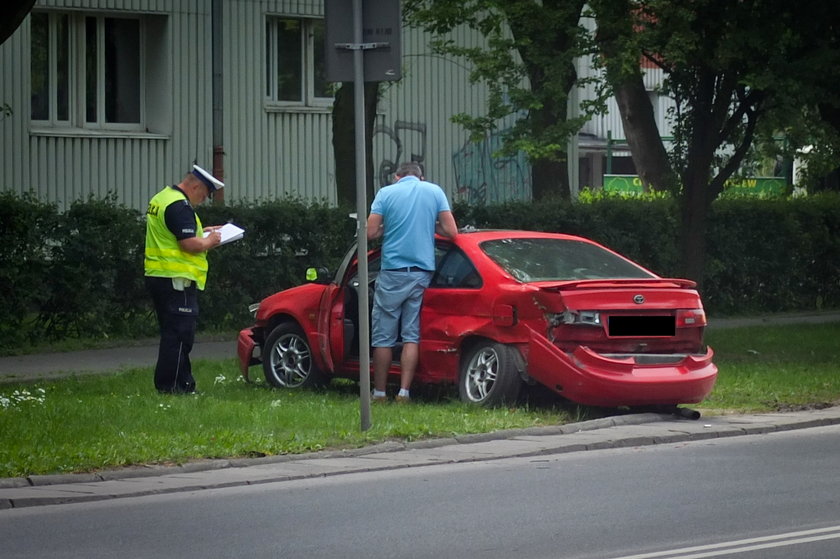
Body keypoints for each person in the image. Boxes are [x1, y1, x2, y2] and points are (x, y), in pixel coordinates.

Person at [366, 161, 458, 402]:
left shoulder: (385, 193)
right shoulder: (434, 191)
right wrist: (429, 225)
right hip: (422, 273)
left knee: (383, 337)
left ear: (397, 177)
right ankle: (405, 392)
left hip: (393, 272)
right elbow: (451, 232)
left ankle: (379, 392)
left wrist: (391, 227)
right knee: (411, 335)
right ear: (421, 177)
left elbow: (370, 232)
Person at [144, 165, 225, 394]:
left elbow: (174, 234)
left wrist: (205, 233)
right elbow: (188, 244)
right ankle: (173, 387)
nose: (204, 199)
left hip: (160, 277)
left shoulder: (163, 198)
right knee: (180, 336)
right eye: (204, 194)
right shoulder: (179, 206)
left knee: (172, 334)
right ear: (195, 185)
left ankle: (181, 384)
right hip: (176, 280)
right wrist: (211, 241)